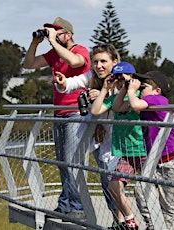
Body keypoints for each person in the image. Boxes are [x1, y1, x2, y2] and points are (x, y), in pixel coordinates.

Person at [23, 16, 90, 219]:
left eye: (56, 31)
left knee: (71, 161)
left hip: (76, 112)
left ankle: (78, 207)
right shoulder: (53, 54)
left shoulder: (80, 50)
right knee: (62, 162)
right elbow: (29, 64)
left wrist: (52, 41)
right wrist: (35, 43)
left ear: (68, 35)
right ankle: (65, 204)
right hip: (59, 112)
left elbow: (73, 61)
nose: (52, 34)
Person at [54, 44, 125, 227]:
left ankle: (125, 219)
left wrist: (103, 93)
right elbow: (73, 83)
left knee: (111, 179)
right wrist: (63, 83)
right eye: (96, 62)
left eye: (104, 61)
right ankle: (118, 220)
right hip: (98, 136)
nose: (99, 66)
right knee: (105, 179)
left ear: (114, 62)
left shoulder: (121, 79)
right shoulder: (91, 77)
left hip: (116, 138)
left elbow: (122, 96)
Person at [116, 71, 174, 229]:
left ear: (157, 90)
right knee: (141, 191)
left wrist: (131, 91)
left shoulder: (158, 99)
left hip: (173, 159)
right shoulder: (145, 102)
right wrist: (125, 88)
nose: (140, 89)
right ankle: (153, 225)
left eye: (144, 86)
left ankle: (163, 227)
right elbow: (117, 107)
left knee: (167, 203)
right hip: (156, 160)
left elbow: (134, 104)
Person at [92, 62, 147, 230]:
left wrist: (130, 90)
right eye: (117, 80)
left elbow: (138, 106)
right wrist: (105, 88)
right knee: (113, 186)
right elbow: (95, 110)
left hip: (143, 149)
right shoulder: (115, 97)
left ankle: (153, 222)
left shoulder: (140, 95)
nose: (120, 83)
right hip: (125, 152)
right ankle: (130, 220)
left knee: (148, 190)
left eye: (123, 79)